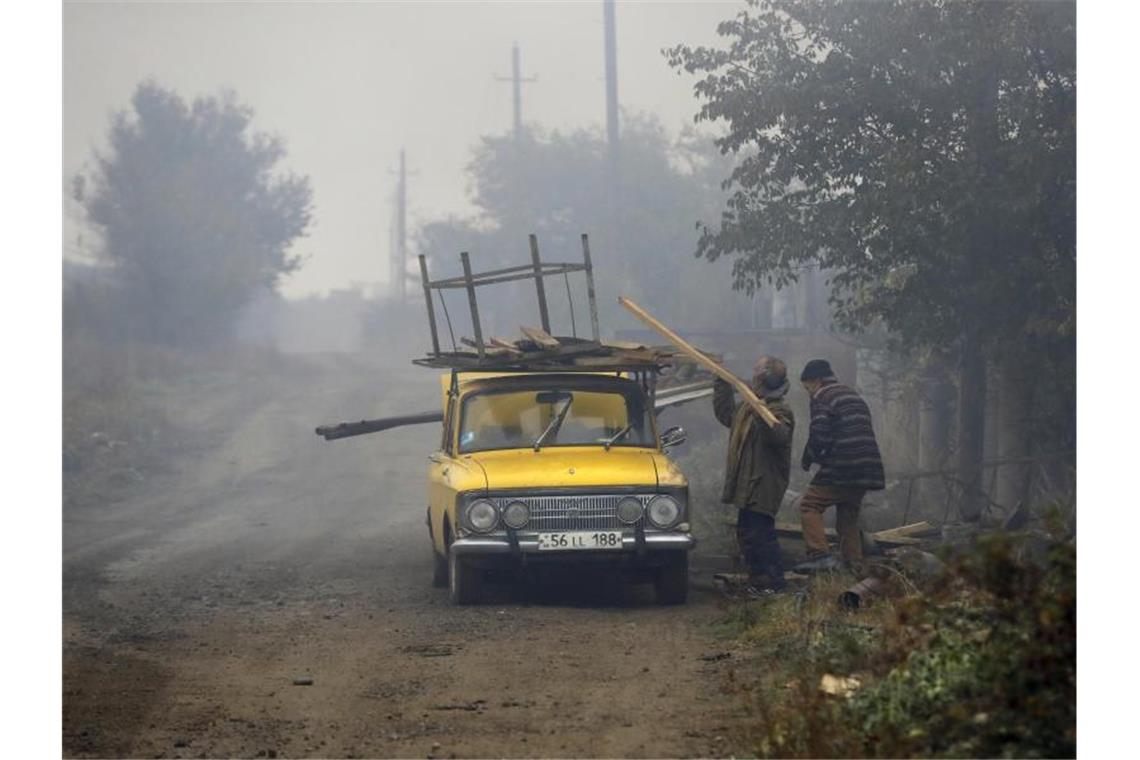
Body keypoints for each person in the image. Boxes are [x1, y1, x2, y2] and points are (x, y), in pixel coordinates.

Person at [712, 356, 796, 592]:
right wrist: (722, 384)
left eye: (757, 370)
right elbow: (726, 414)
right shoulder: (748, 408)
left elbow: (779, 437)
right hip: (747, 484)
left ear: (765, 378)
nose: (752, 374)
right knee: (747, 534)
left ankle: (774, 584)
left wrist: (761, 411)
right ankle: (758, 583)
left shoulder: (780, 410)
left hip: (764, 484)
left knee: (762, 536)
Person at [795, 359, 885, 572]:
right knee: (848, 515)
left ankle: (819, 555)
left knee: (810, 505)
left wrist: (808, 458)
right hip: (867, 465)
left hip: (844, 464)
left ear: (816, 381)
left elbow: (820, 435)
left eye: (807, 387)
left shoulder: (822, 396)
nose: (808, 392)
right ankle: (854, 564)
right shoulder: (852, 395)